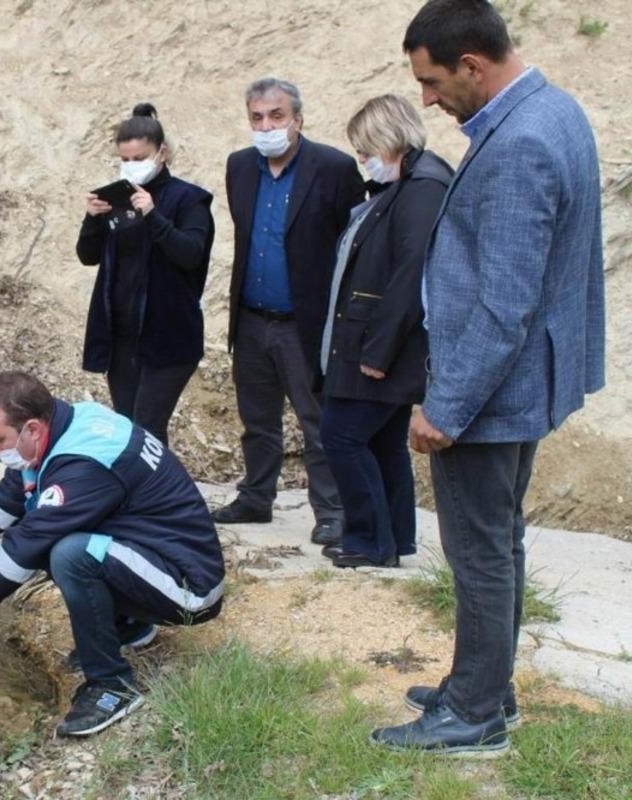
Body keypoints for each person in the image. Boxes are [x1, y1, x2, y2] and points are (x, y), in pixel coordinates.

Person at [372, 0, 604, 756]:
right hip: (522, 381)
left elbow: (507, 300)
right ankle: (484, 685)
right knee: (499, 542)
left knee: (479, 551)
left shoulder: (522, 143)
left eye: (434, 83)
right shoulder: (551, 109)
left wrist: (445, 407)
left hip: (490, 392)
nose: (429, 100)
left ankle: (474, 717)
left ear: (473, 64)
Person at [0, 371, 225, 737]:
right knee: (57, 537)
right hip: (151, 557)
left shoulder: (83, 463)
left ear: (32, 429)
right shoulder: (63, 428)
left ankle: (111, 685)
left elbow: (26, 544)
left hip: (189, 588)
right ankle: (130, 626)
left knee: (69, 553)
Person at [211, 78, 365, 547]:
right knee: (257, 420)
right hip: (253, 318)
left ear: (297, 119)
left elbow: (352, 244)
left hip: (307, 322)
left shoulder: (334, 168)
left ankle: (333, 511)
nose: (267, 125)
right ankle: (256, 497)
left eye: (276, 116)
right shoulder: (240, 167)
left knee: (317, 421)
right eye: (257, 117)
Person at [317, 96, 453, 569]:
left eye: (364, 150)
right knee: (380, 442)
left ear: (388, 139)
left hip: (380, 347)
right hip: (378, 342)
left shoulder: (422, 188)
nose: (362, 161)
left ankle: (370, 541)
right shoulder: (409, 185)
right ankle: (391, 539)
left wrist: (378, 349)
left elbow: (410, 276)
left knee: (341, 436)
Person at [77, 103, 216, 448]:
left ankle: (162, 499)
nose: (131, 166)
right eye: (125, 159)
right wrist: (92, 219)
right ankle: (144, 498)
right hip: (121, 338)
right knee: (128, 430)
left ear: (162, 153)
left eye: (140, 158)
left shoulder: (189, 200)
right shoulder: (118, 198)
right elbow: (88, 256)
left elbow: (190, 254)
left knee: (148, 427)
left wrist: (153, 215)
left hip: (168, 337)